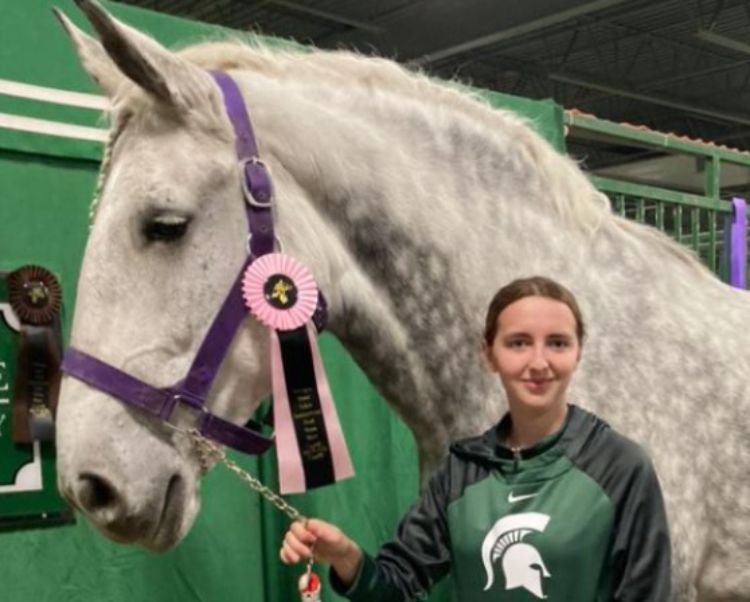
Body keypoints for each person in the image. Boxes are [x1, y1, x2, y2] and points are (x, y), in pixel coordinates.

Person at [280, 275, 672, 601]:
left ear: (578, 353)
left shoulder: (621, 466)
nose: (539, 362)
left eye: (557, 342)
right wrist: (347, 558)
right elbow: (396, 586)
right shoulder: (461, 473)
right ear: (489, 355)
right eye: (518, 342)